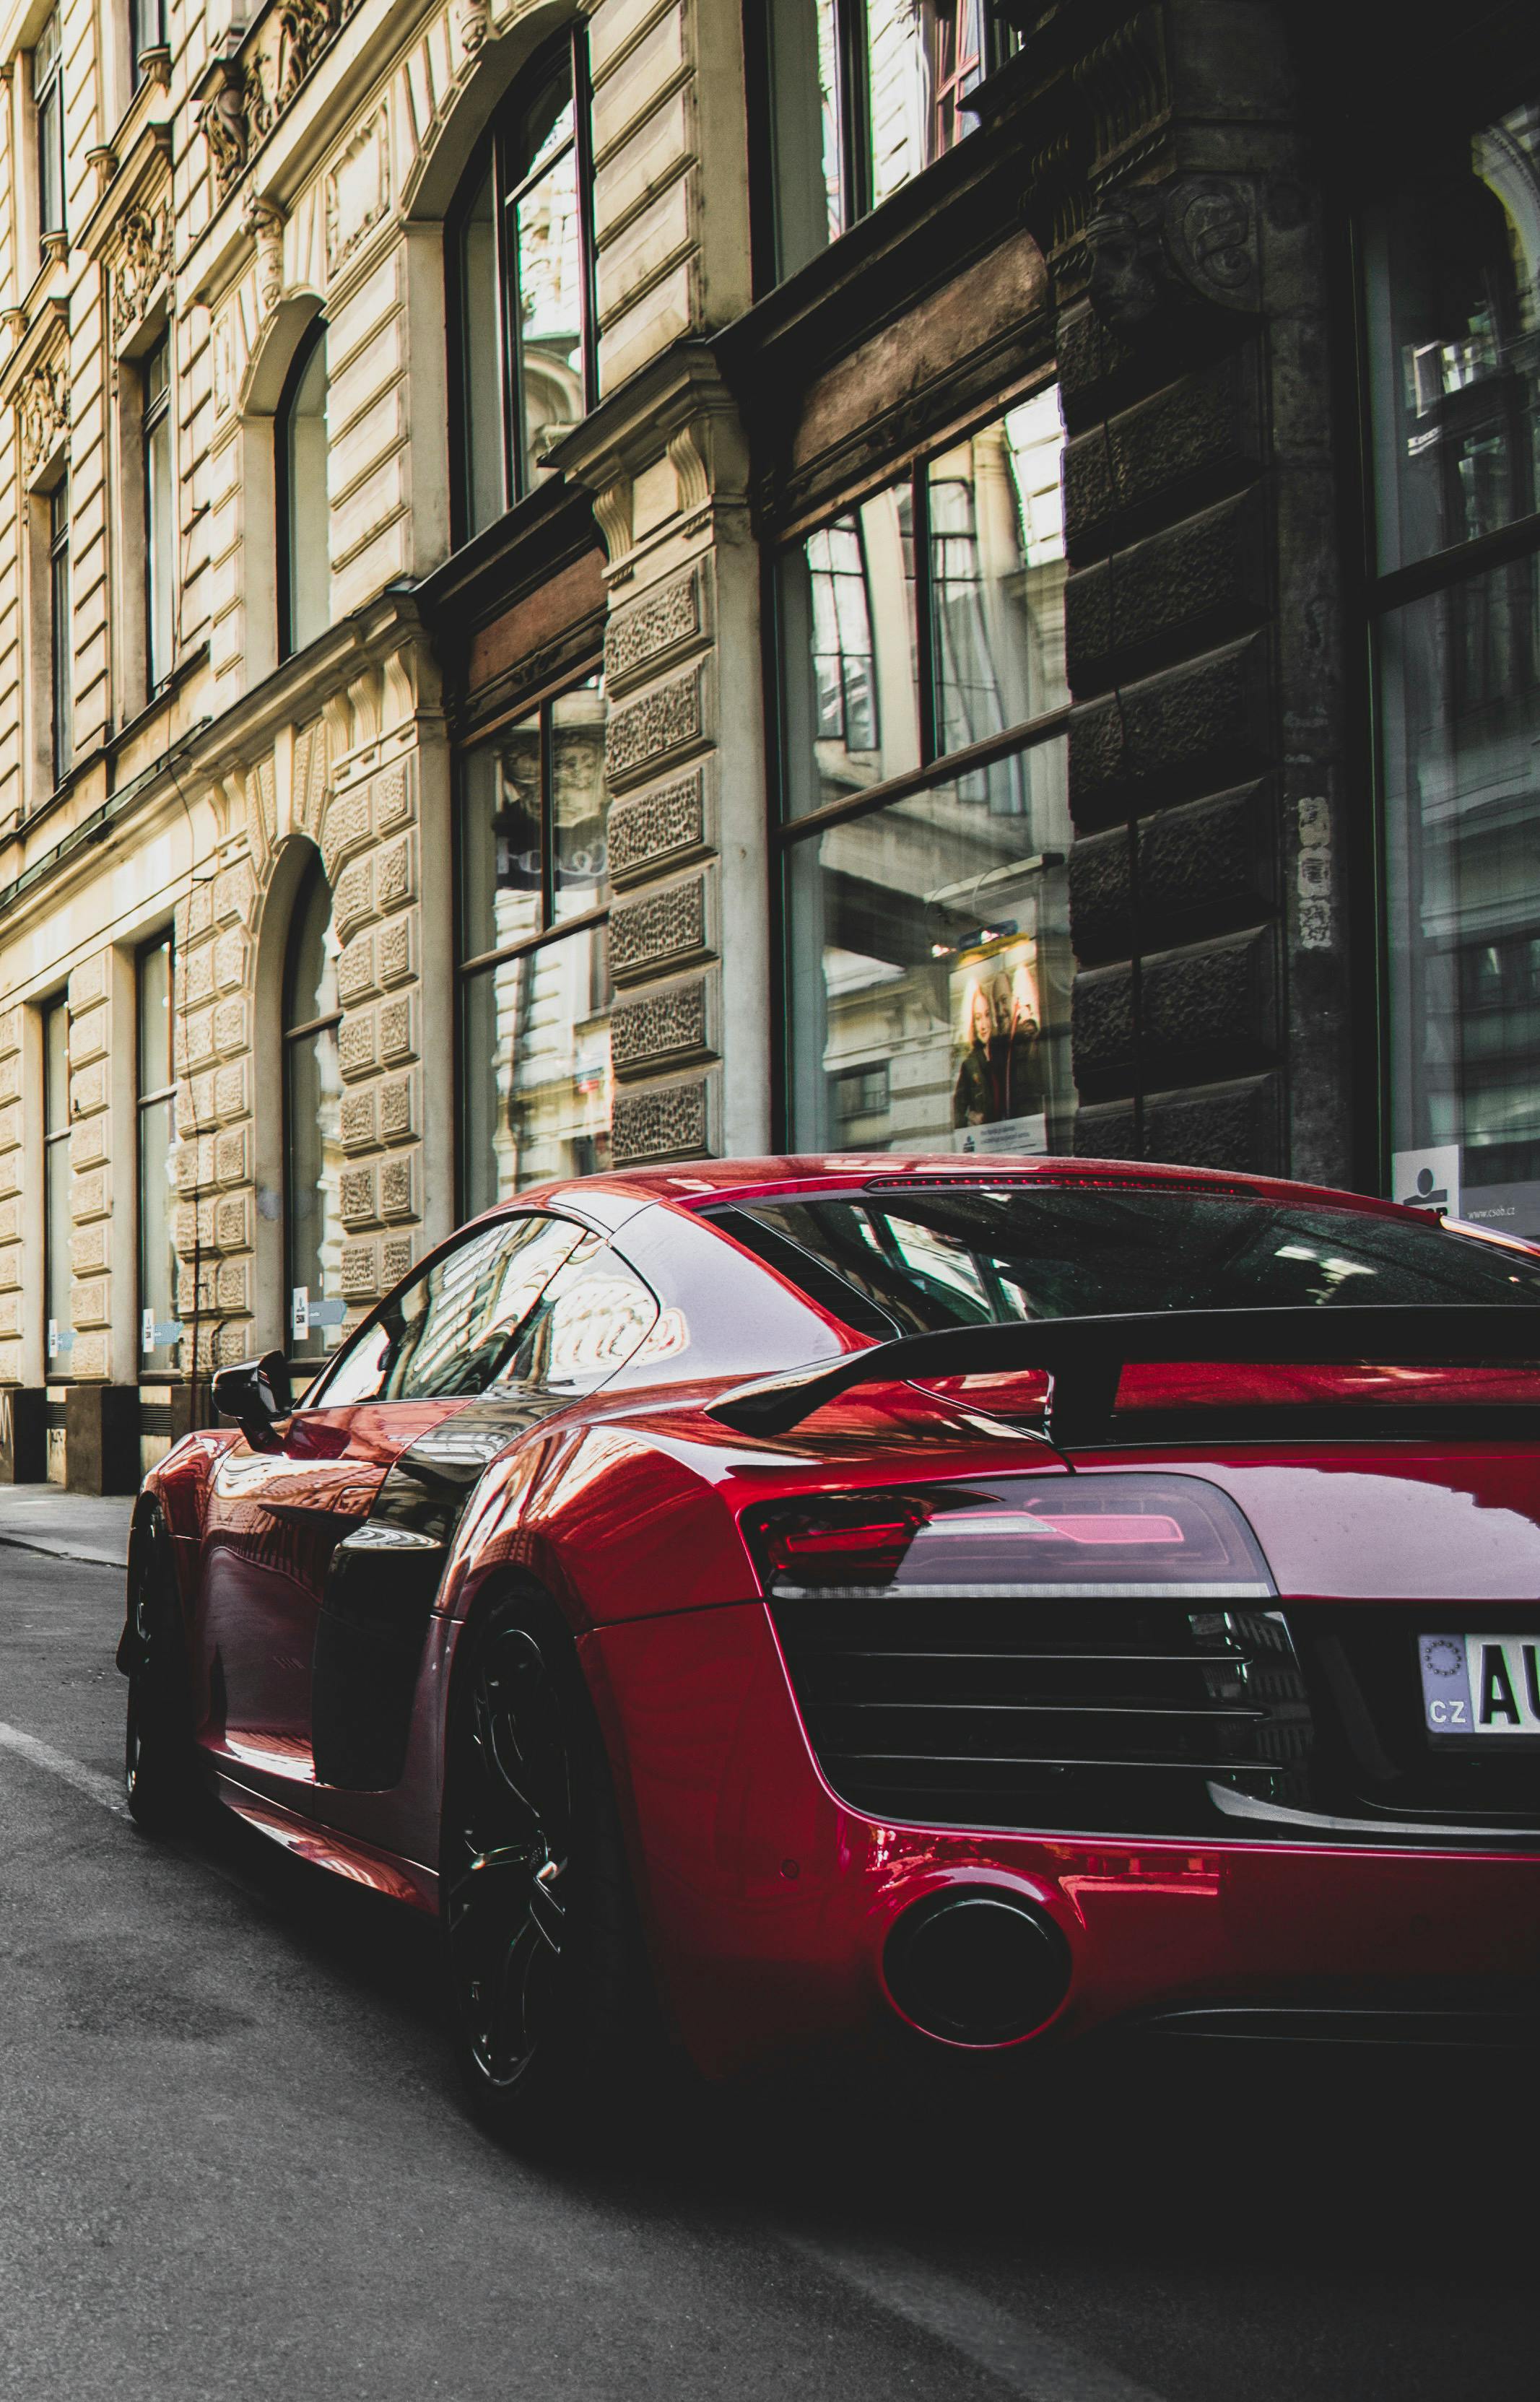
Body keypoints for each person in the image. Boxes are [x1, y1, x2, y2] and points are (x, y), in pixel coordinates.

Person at [952, 980, 999, 1127]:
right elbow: (958, 1110)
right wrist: (969, 1117)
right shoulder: (970, 1064)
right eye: (978, 1018)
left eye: (987, 1015)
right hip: (985, 1139)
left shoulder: (1006, 1054)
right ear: (973, 1023)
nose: (983, 1025)